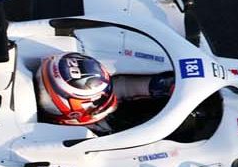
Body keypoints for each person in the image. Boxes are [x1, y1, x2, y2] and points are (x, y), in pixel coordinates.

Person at [34, 51, 174, 131]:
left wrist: (166, 85)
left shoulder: (104, 91)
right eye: (41, 84)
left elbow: (124, 86)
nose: (38, 93)